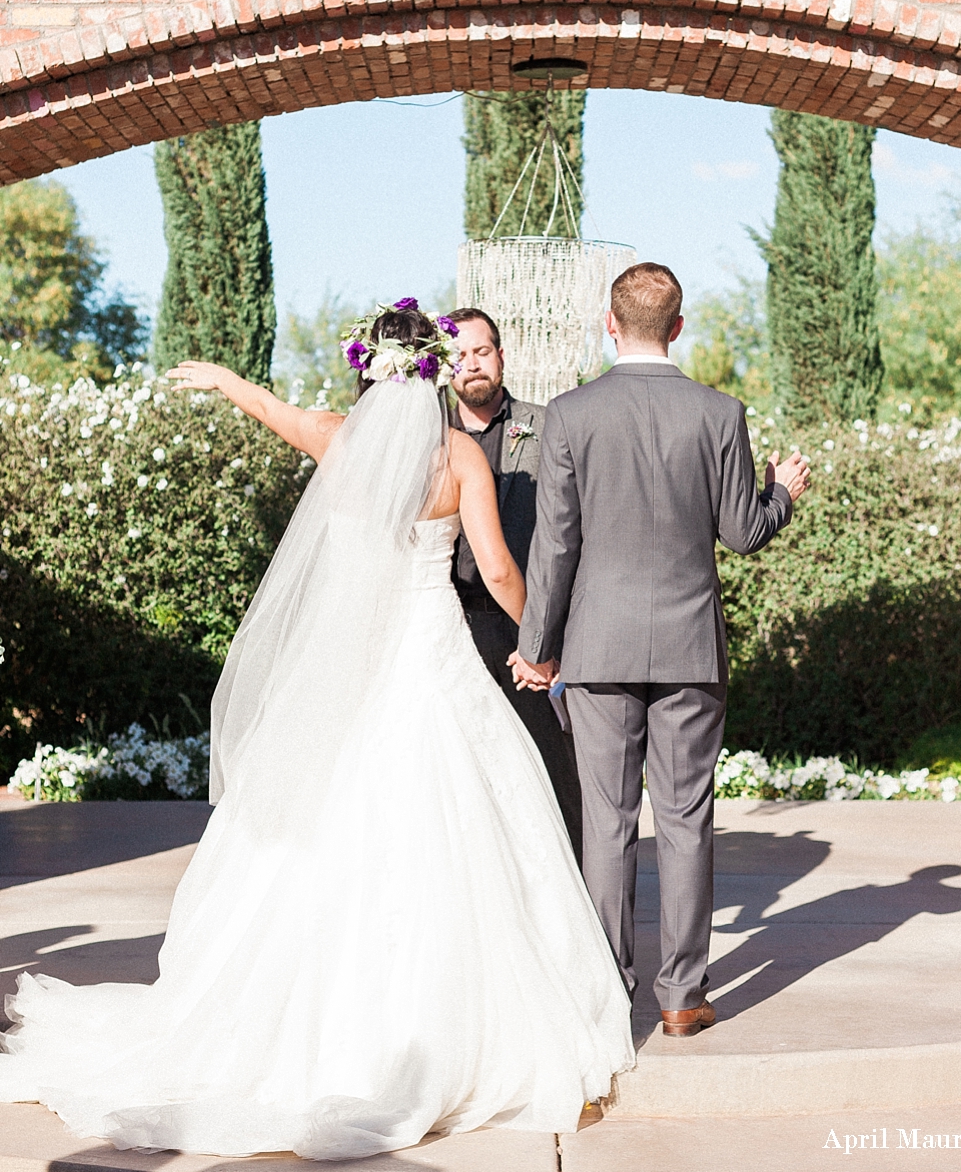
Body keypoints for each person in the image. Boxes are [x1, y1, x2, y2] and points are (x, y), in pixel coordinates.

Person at [0, 301, 634, 1159]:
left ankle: (304, 1021)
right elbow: (492, 566)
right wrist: (541, 648)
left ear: (367, 369)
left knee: (335, 819)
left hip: (360, 660)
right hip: (432, 648)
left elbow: (271, 409)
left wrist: (222, 379)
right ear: (437, 372)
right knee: (472, 818)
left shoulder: (337, 437)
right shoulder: (457, 457)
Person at [510, 263, 809, 1038]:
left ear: (609, 323)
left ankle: (609, 989)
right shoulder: (718, 411)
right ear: (678, 326)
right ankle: (681, 997)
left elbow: (555, 546)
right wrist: (781, 491)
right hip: (688, 650)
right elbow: (743, 531)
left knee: (606, 823)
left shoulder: (570, 415)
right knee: (685, 819)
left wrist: (537, 647)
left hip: (597, 648)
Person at [448, 307, 583, 859]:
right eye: (459, 354)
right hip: (448, 620)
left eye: (482, 351)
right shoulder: (422, 429)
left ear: (501, 356)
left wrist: (546, 636)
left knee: (553, 762)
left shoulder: (549, 422)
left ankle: (572, 881)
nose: (472, 364)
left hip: (528, 619)